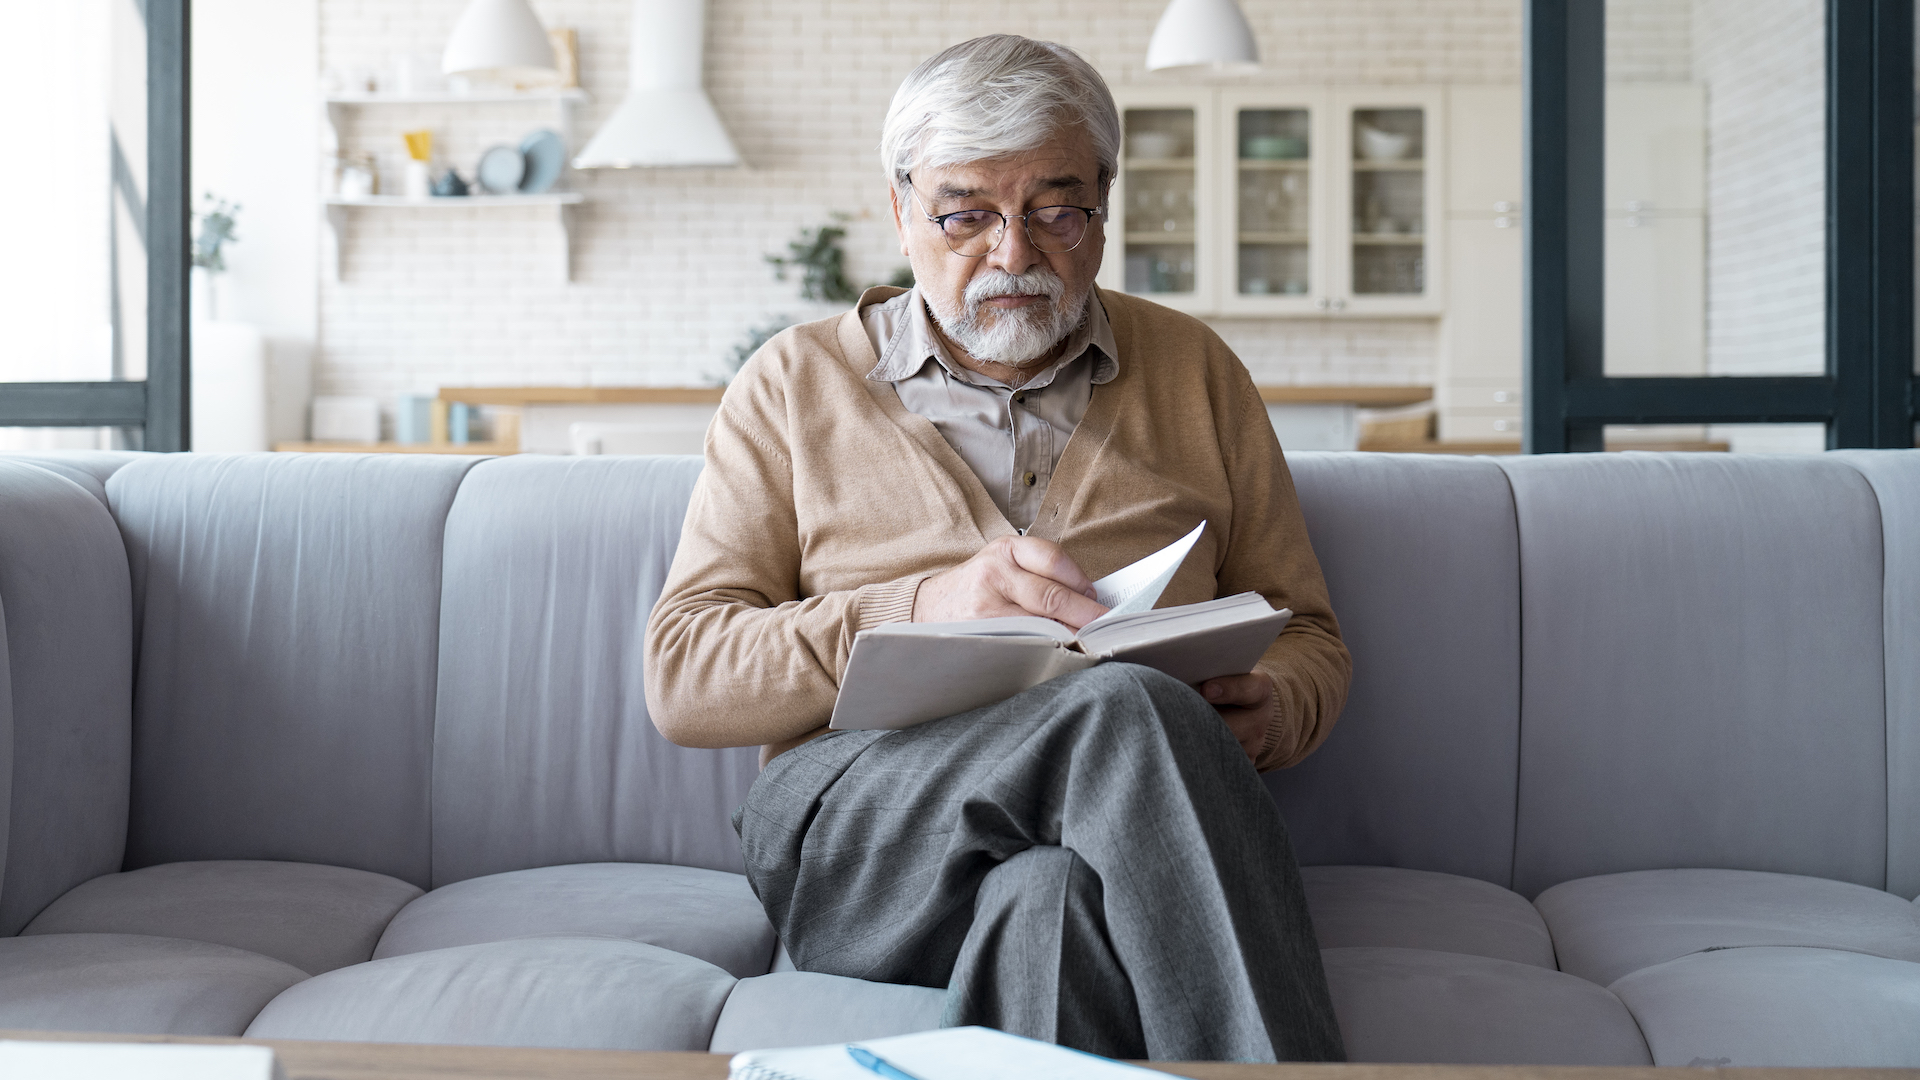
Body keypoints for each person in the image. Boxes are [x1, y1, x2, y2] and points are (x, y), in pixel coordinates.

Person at [644, 34, 1350, 1063]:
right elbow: (684, 675)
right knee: (1119, 708)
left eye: (1055, 211)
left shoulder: (1197, 372)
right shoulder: (793, 384)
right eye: (965, 214)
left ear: (1104, 204)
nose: (1013, 255)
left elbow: (1311, 636)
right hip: (863, 832)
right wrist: (913, 609)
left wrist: (1277, 705)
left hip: (1117, 835)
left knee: (1050, 899)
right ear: (902, 212)